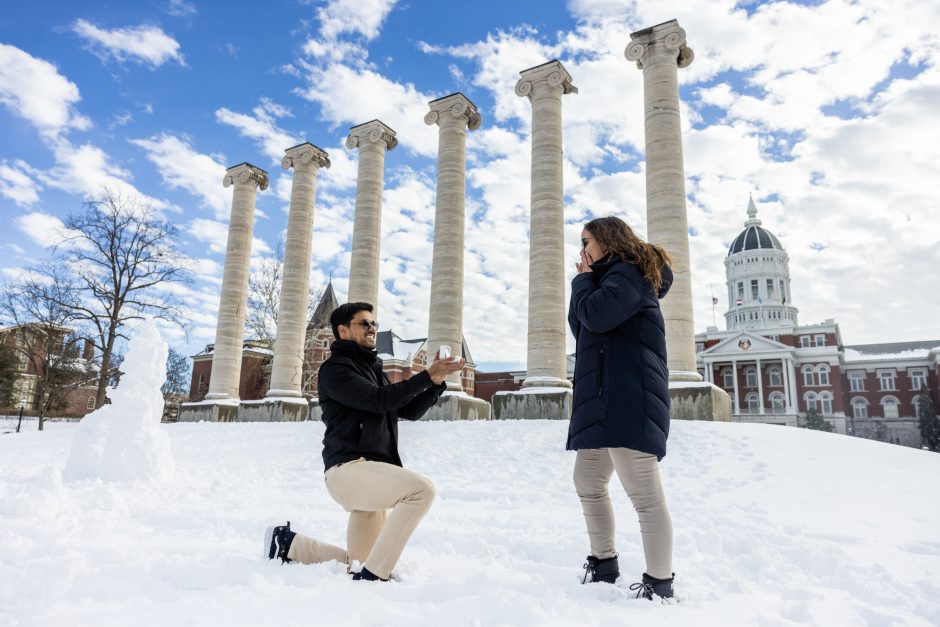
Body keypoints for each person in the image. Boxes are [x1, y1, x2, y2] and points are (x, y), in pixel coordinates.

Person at [264, 302, 464, 581]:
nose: (373, 329)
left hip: (372, 473)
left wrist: (436, 382)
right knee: (421, 491)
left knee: (359, 560)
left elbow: (408, 410)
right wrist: (426, 376)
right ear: (344, 331)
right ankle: (373, 576)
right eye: (365, 324)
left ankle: (289, 544)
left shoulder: (375, 371)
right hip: (348, 470)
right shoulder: (335, 370)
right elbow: (377, 400)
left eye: (374, 324)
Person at [567, 216, 676, 601]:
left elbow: (595, 315)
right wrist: (586, 281)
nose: (582, 250)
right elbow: (583, 327)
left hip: (628, 396)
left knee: (645, 496)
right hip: (602, 396)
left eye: (586, 241)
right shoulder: (609, 278)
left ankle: (659, 583)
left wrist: (583, 281)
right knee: (589, 482)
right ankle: (604, 561)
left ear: (608, 240)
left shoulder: (630, 274)